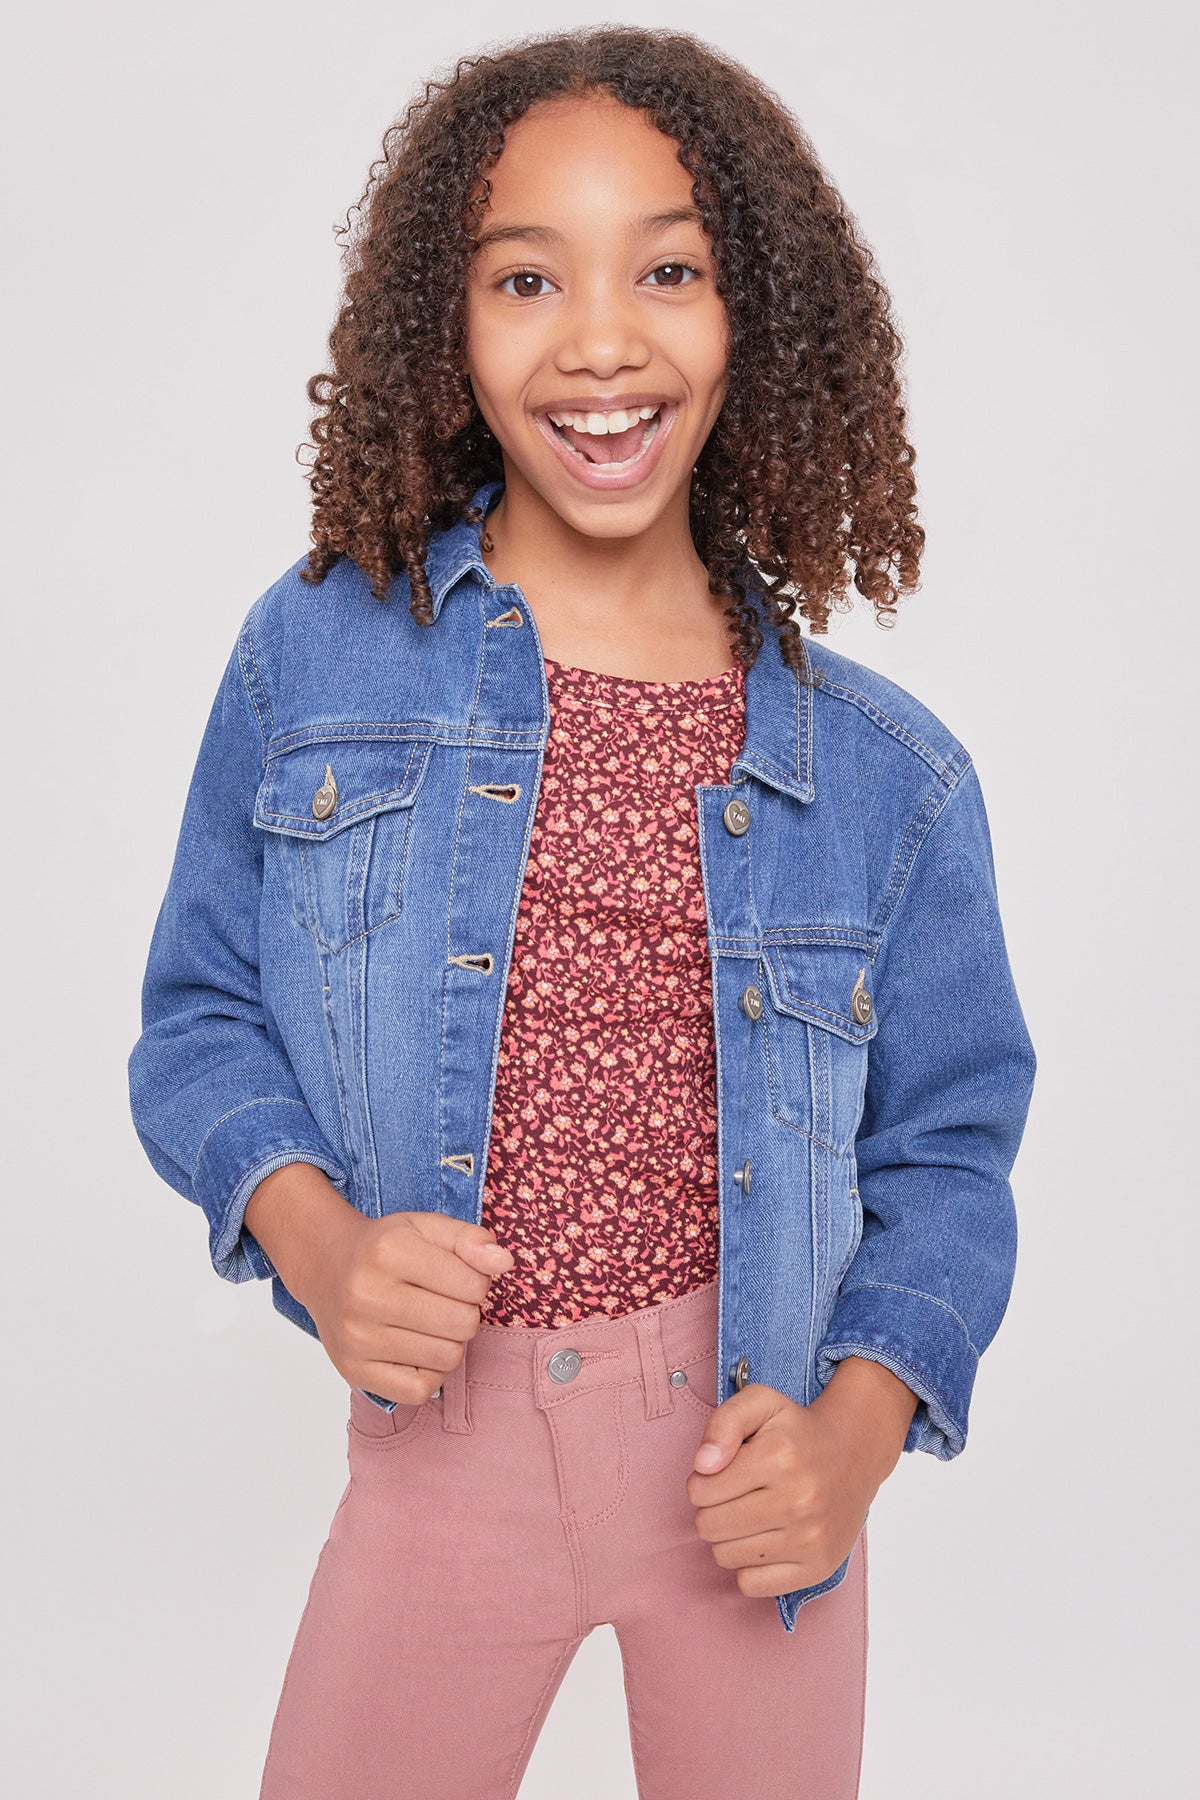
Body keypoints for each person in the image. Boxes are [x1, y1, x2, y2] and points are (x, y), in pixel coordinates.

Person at [128, 25, 1036, 1800]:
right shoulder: (319, 651)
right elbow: (198, 1016)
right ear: (444, 328)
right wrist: (321, 1246)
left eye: (669, 271)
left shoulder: (888, 778)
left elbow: (950, 1148)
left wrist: (856, 1438)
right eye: (527, 277)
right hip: (446, 1445)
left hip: (749, 1466)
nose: (602, 339)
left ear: (756, 316)